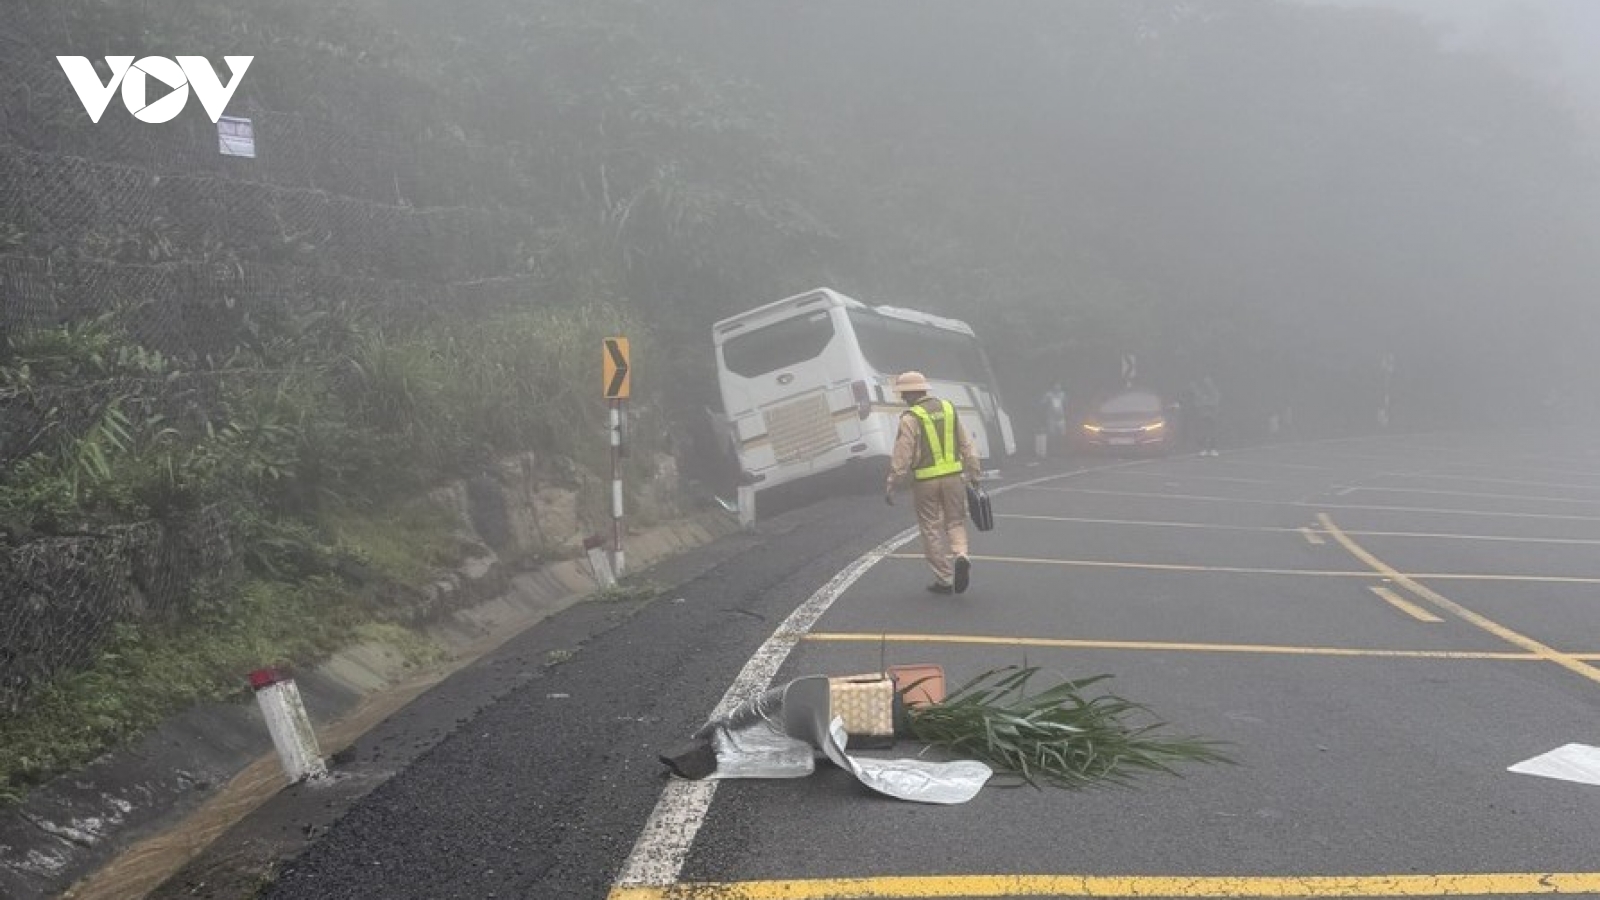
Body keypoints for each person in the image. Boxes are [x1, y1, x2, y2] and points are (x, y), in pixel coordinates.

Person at [885, 371, 983, 594]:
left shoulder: (910, 417)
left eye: (903, 394)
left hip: (925, 481)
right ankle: (961, 555)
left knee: (930, 527)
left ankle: (944, 577)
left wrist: (892, 483)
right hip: (953, 478)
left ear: (912, 393)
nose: (902, 398)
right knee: (955, 522)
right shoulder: (949, 409)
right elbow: (967, 444)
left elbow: (902, 454)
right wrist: (975, 473)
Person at [1193, 375, 1221, 456]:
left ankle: (1213, 449)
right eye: (1206, 381)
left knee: (1213, 433)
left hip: (1212, 415)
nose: (1207, 383)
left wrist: (1206, 403)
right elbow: (1197, 404)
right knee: (1203, 433)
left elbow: (1216, 401)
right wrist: (1203, 404)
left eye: (1209, 381)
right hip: (1203, 415)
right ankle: (1203, 449)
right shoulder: (1200, 393)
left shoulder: (1214, 392)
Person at [1042, 382, 1068, 455]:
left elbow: (1066, 403)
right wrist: (1046, 401)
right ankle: (1052, 450)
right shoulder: (1049, 394)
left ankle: (1061, 450)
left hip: (1061, 417)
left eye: (1059, 386)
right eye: (1056, 386)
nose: (1057, 387)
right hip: (1051, 418)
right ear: (1053, 386)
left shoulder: (1062, 394)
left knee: (1062, 434)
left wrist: (1065, 402)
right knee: (1052, 434)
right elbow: (1043, 403)